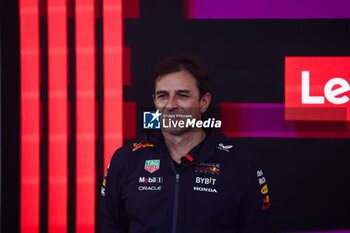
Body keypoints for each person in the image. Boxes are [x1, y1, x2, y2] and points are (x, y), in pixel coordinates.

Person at [100, 55, 272, 233]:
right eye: (163, 96)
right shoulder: (126, 160)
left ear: (203, 102)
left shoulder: (240, 165)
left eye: (182, 95)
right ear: (155, 102)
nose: (171, 105)